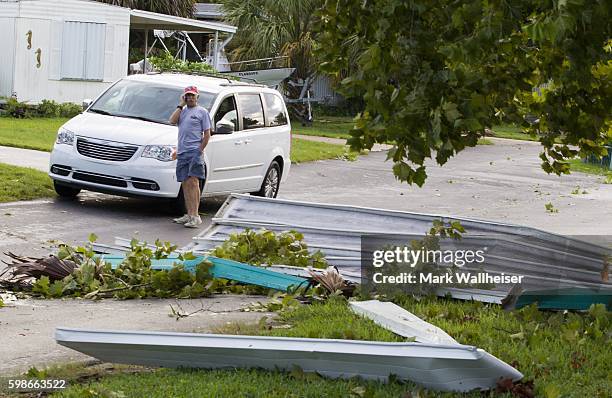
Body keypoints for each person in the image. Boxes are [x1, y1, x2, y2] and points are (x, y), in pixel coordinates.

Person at [169, 86, 211, 228]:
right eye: (188, 96)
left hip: (194, 151)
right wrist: (180, 105)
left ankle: (195, 215)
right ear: (184, 97)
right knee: (185, 183)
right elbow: (172, 121)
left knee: (194, 183)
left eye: (193, 95)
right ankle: (189, 214)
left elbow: (207, 134)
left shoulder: (202, 112)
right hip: (182, 152)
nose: (190, 98)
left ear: (197, 97)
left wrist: (200, 149)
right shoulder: (182, 111)